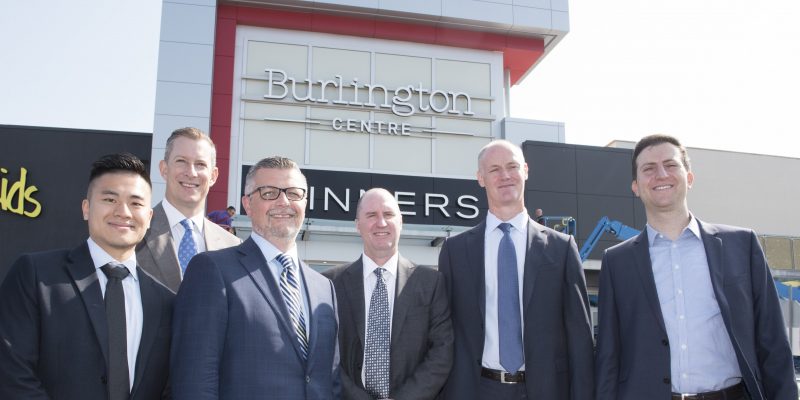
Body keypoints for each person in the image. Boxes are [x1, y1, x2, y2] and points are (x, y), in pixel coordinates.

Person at [595, 134, 797, 400]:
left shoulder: (741, 245)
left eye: (671, 164)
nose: (661, 174)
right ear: (635, 186)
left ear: (689, 178)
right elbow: (609, 356)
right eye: (649, 168)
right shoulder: (616, 261)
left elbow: (772, 342)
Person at [0, 153, 174, 400]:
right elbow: (12, 372)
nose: (123, 212)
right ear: (86, 208)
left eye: (136, 203)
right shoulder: (36, 275)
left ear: (149, 218)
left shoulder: (165, 301)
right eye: (110, 199)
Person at [171, 155, 340, 399]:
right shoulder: (212, 270)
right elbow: (195, 378)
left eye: (294, 193)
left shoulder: (325, 288)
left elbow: (330, 380)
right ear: (247, 204)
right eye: (269, 192)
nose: (284, 201)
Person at [438, 140, 594, 400]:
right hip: (476, 390)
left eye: (512, 166)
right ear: (480, 178)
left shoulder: (561, 248)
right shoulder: (455, 251)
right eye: (494, 169)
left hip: (547, 391)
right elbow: (443, 332)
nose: (505, 175)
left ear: (526, 170)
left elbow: (580, 337)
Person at [324, 188, 453, 400]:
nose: (381, 223)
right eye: (371, 215)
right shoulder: (331, 283)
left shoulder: (431, 283)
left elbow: (442, 351)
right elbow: (326, 353)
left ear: (401, 222)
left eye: (389, 214)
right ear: (358, 225)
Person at [136, 127, 240, 292]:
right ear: (164, 169)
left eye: (200, 164)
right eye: (181, 161)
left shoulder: (233, 246)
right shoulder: (134, 233)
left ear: (213, 176)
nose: (191, 173)